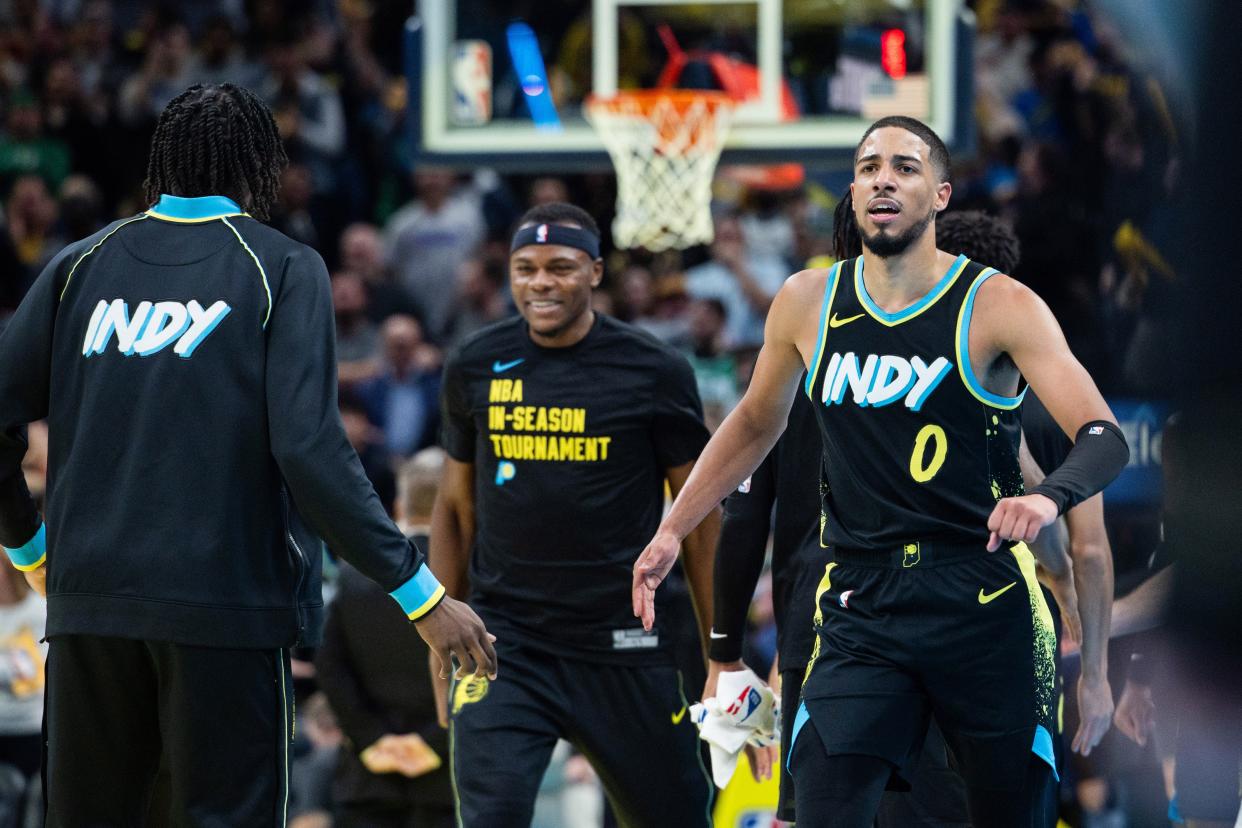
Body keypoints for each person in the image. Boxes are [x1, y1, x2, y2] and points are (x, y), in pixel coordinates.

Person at [0, 83, 495, 826]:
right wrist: (420, 594)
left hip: (87, 611)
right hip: (223, 616)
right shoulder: (281, 267)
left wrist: (34, 551)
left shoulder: (79, 265)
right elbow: (308, 448)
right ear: (257, 168)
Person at [633, 116, 1129, 827]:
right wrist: (672, 530)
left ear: (941, 194)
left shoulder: (1000, 305)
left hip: (980, 598)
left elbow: (1105, 436)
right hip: (861, 600)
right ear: (854, 191)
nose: (882, 180)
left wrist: (1050, 497)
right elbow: (751, 424)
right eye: (868, 168)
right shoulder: (808, 300)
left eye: (904, 166)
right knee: (824, 808)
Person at [432, 201, 717, 827]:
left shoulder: (654, 371)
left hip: (626, 643)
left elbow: (699, 520)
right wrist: (440, 626)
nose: (540, 283)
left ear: (593, 272)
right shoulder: (474, 363)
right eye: (525, 268)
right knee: (490, 815)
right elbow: (453, 508)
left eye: (559, 267)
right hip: (505, 645)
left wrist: (719, 650)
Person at [316, 448, 455, 828]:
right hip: (452, 782)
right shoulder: (475, 578)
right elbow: (486, 673)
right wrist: (433, 742)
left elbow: (330, 665)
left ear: (398, 505)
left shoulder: (353, 573)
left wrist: (372, 738)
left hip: (368, 778)